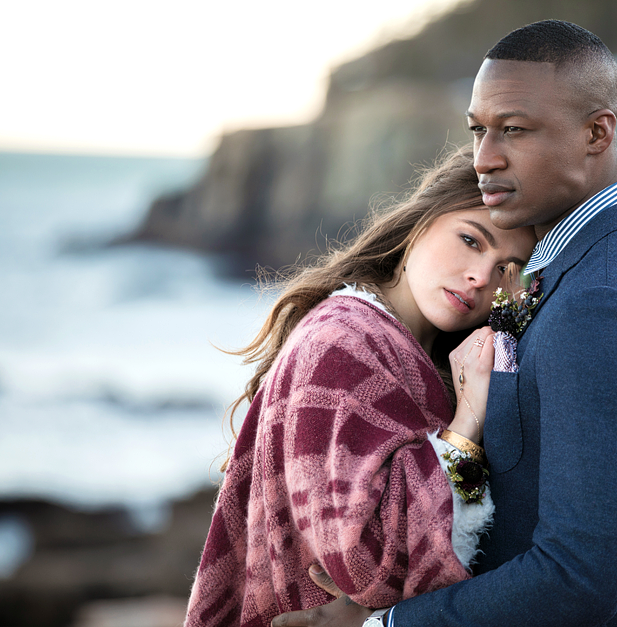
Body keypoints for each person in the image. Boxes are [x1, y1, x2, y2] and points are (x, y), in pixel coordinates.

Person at [275, 19, 617, 627]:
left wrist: (389, 625)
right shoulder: (571, 271)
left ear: (597, 133)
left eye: (514, 130)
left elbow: (578, 576)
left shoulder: (602, 303)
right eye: (478, 130)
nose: (484, 158)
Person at [183, 145, 537, 627]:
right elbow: (366, 565)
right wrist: (468, 421)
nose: (480, 276)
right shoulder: (342, 342)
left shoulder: (420, 352)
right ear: (421, 220)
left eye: (506, 269)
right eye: (471, 241)